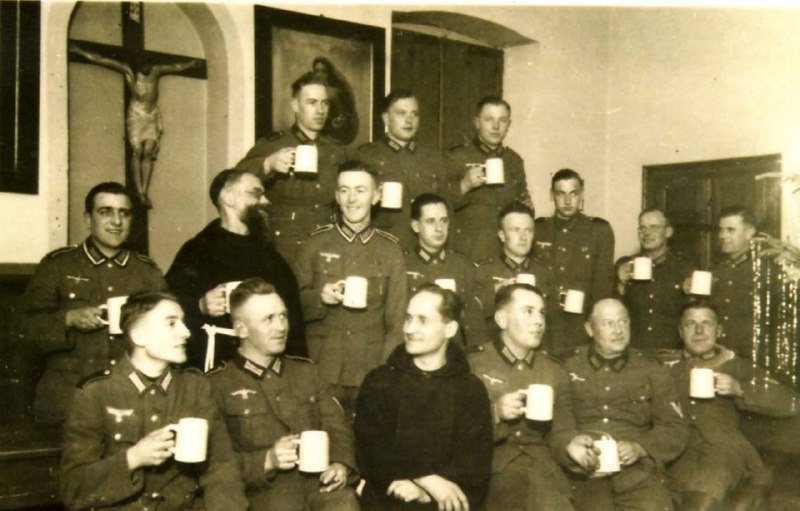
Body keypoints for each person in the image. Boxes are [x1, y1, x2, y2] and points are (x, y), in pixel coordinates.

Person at [59, 290, 248, 511]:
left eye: (183, 322)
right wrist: (133, 458)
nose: (186, 332)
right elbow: (72, 489)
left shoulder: (195, 386)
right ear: (139, 336)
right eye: (171, 323)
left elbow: (221, 467)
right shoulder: (95, 393)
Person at [19, 182, 166, 422]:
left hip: (129, 397)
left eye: (124, 213)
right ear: (88, 219)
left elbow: (167, 334)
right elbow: (24, 329)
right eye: (105, 212)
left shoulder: (147, 272)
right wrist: (68, 319)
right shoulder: (58, 265)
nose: (116, 221)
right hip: (68, 399)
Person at [208, 278, 359, 511]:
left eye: (283, 316)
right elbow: (216, 466)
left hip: (319, 493)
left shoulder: (306, 371)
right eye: (268, 319)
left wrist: (341, 464)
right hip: (260, 498)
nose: (281, 327)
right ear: (241, 329)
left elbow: (337, 428)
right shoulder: (217, 384)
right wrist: (268, 460)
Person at [355, 285, 494, 511]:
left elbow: (474, 464)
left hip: (447, 501)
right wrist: (426, 479)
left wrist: (426, 492)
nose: (410, 329)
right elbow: (371, 450)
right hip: (390, 493)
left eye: (423, 320)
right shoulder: (380, 380)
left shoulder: (470, 389)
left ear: (449, 329)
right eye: (408, 318)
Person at [468, 284, 599, 510]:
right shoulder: (472, 364)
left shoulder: (554, 370)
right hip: (488, 471)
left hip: (541, 470)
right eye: (528, 311)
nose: (539, 321)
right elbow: (452, 433)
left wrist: (570, 446)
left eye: (541, 313)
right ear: (501, 319)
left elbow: (560, 431)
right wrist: (495, 414)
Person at [292, 160, 407, 418]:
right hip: (322, 367)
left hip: (371, 367)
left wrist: (383, 371)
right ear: (336, 195)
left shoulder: (390, 251)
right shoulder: (315, 243)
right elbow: (291, 306)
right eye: (344, 190)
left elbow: (397, 321)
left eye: (360, 190)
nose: (351, 199)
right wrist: (319, 298)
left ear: (377, 196)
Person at [166, 168, 305, 370]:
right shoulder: (197, 250)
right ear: (228, 197)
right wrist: (200, 306)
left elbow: (294, 316)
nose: (265, 201)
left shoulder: (271, 255)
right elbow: (168, 303)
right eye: (255, 193)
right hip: (215, 363)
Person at [666, 300, 799, 511]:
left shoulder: (737, 365)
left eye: (707, 324)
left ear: (719, 330)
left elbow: (791, 402)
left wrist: (740, 389)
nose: (699, 330)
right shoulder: (667, 370)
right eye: (691, 324)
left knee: (700, 501)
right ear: (681, 332)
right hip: (677, 455)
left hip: (725, 454)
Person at [563, 298, 688, 511]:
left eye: (623, 322)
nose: (618, 330)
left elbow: (674, 428)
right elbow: (557, 425)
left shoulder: (651, 370)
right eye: (608, 323)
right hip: (582, 475)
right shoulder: (567, 366)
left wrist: (641, 448)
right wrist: (576, 455)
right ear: (590, 329)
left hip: (637, 472)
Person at [69, 44, 200, 207]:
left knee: (149, 152)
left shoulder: (156, 70)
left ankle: (144, 191)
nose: (147, 69)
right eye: (144, 66)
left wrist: (191, 64)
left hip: (151, 113)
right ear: (137, 65)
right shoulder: (128, 71)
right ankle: (139, 191)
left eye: (148, 65)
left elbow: (175, 66)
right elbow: (102, 60)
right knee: (137, 151)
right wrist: (79, 51)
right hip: (136, 113)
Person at [236, 72, 348, 256]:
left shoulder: (336, 150)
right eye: (312, 103)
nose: (320, 111)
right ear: (295, 105)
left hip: (328, 242)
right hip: (285, 246)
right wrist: (267, 164)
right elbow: (232, 180)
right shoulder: (274, 144)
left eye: (325, 103)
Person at [358, 90, 451, 249]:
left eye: (414, 114)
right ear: (386, 119)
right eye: (401, 113)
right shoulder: (367, 156)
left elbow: (445, 206)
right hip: (383, 246)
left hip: (424, 249)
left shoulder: (433, 157)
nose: (409, 120)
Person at [535, 169, 615, 352]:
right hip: (545, 325)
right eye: (560, 194)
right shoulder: (538, 229)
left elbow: (603, 286)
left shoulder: (598, 231)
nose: (568, 201)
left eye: (574, 193)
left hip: (581, 327)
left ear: (582, 194)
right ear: (551, 195)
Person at [447, 96, 532, 264]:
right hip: (469, 253)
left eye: (502, 120)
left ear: (509, 124)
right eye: (489, 120)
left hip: (506, 256)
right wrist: (464, 185)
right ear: (477, 122)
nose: (495, 126)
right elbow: (437, 206)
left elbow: (524, 205)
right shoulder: (457, 157)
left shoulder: (514, 161)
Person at [474, 202, 559, 352]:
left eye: (528, 231)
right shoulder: (482, 271)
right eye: (516, 230)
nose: (523, 237)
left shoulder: (544, 273)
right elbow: (472, 322)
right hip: (493, 356)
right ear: (502, 235)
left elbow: (553, 326)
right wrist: (494, 293)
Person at [404, 193, 486, 345]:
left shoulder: (462, 265)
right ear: (415, 226)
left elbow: (474, 321)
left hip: (454, 354)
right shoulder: (403, 264)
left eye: (444, 221)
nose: (439, 228)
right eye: (430, 221)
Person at [615, 208, 694, 351]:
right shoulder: (625, 266)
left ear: (668, 232)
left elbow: (694, 316)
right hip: (633, 352)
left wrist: (692, 295)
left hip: (672, 353)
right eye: (642, 228)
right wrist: (619, 284)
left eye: (654, 227)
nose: (646, 233)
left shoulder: (685, 268)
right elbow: (611, 313)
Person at [709, 206, 757, 357]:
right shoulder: (716, 271)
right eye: (721, 230)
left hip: (751, 356)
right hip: (719, 353)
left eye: (730, 230)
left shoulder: (763, 270)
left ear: (749, 233)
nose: (723, 236)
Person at [312, 56, 359, 145]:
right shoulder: (310, 92)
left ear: (328, 74)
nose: (319, 75)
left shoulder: (334, 93)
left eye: (323, 72)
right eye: (316, 71)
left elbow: (344, 118)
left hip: (332, 137)